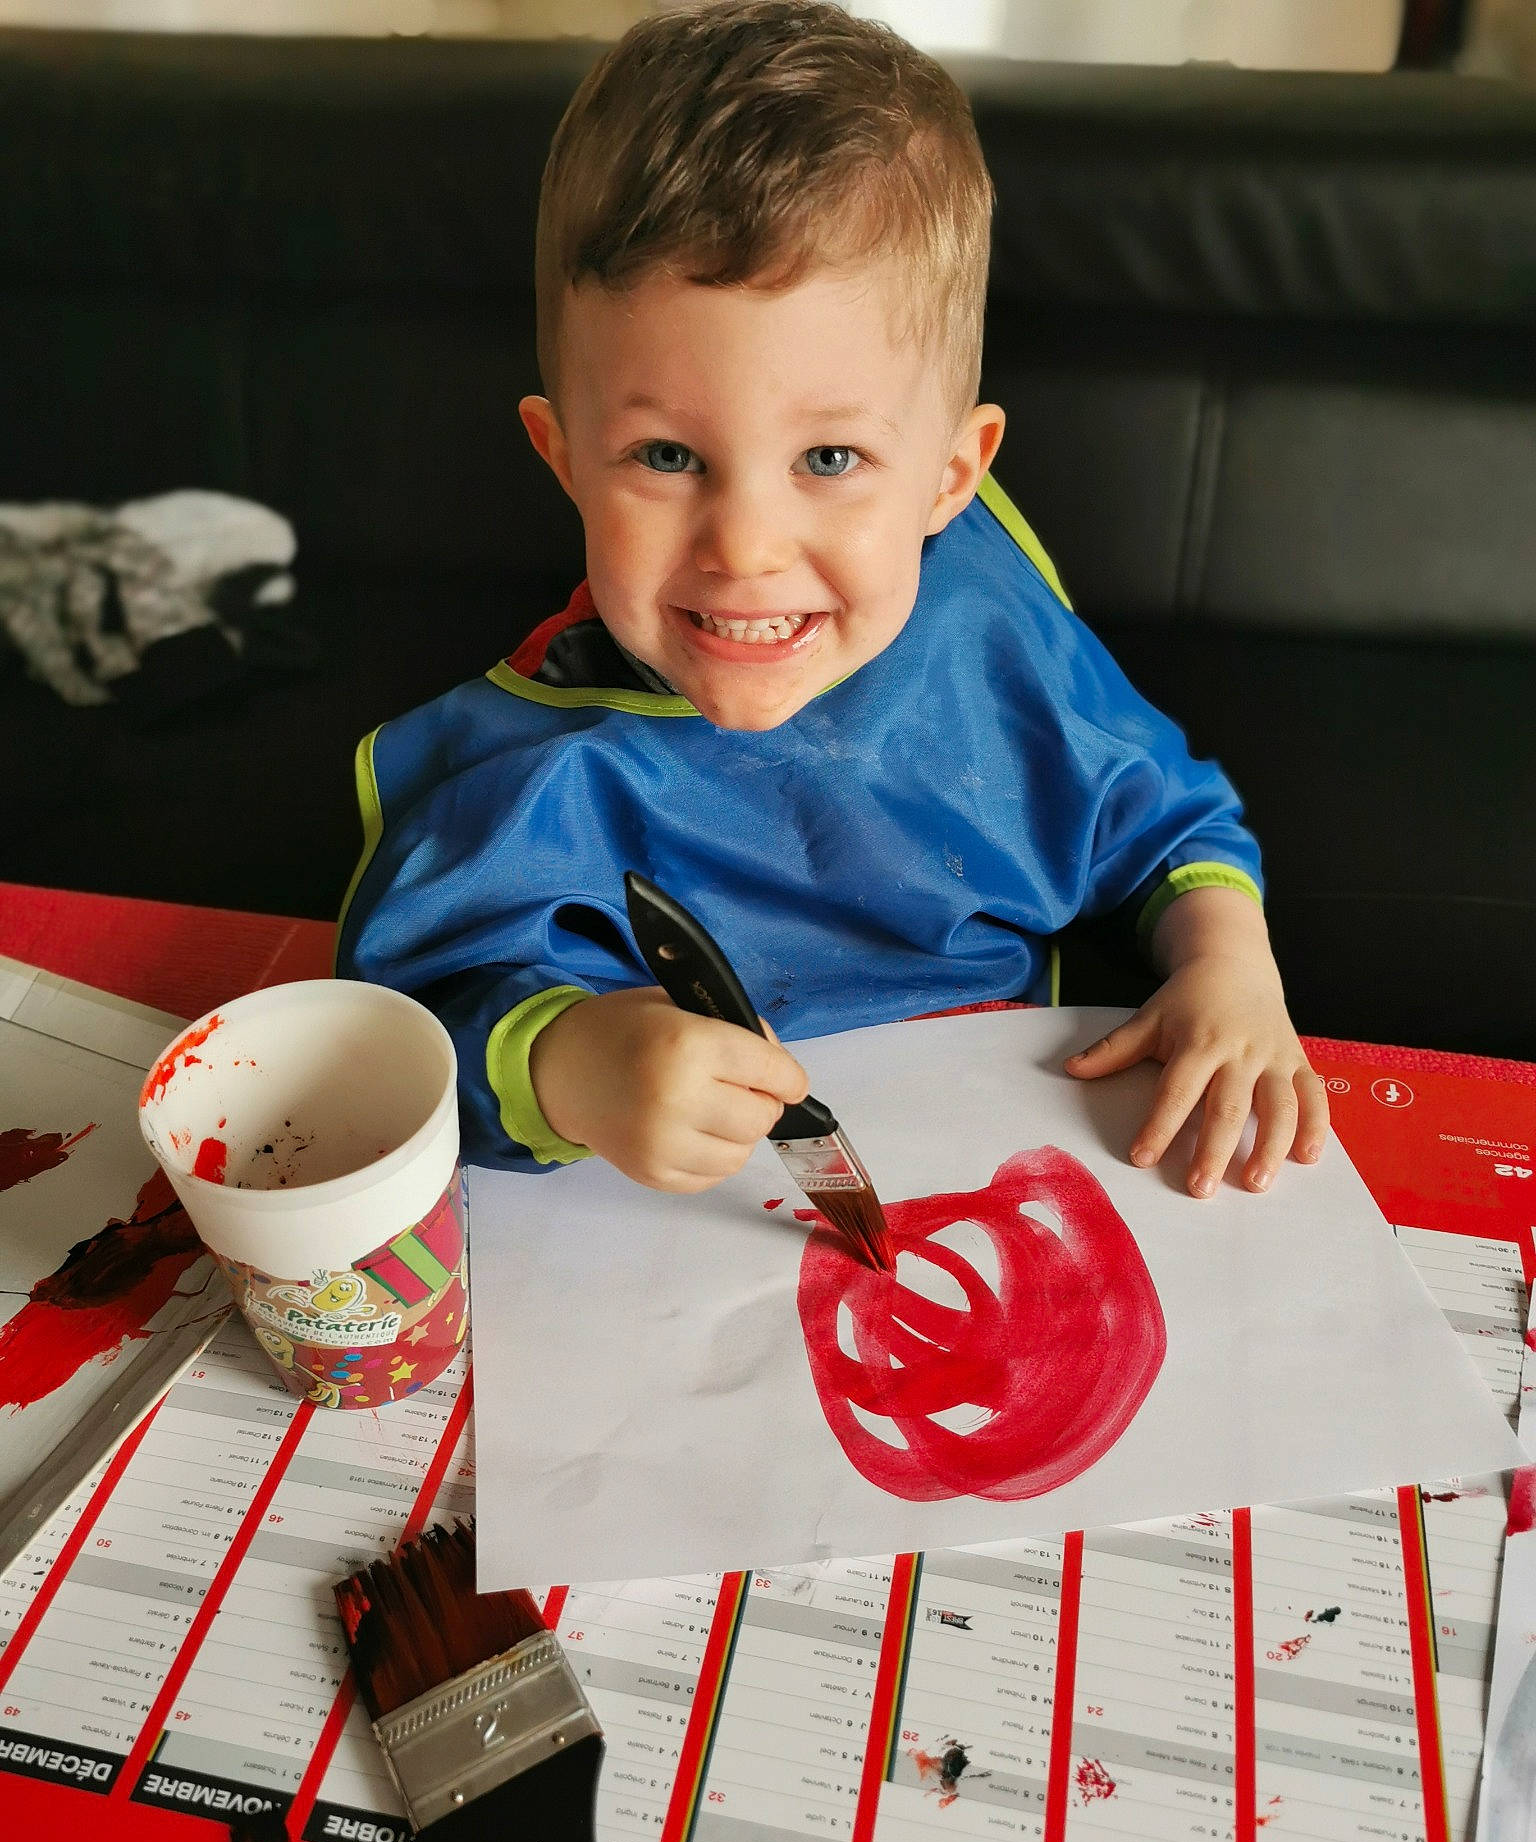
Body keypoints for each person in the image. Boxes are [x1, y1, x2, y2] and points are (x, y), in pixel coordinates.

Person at [337, 0, 1327, 1201]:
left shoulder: (986, 640)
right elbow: (397, 1025)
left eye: (829, 458)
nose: (747, 546)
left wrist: (1230, 968)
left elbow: (1163, 820)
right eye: (666, 456)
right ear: (564, 458)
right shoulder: (539, 768)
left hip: (1028, 1157)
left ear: (951, 476)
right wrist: (573, 1062)